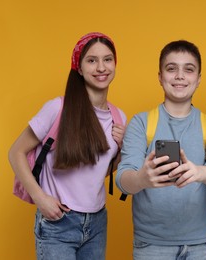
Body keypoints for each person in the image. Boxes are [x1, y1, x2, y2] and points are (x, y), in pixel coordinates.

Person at [8, 32, 127, 260]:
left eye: (107, 59)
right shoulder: (57, 109)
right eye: (92, 60)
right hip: (58, 222)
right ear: (79, 68)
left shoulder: (118, 116)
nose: (101, 67)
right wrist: (40, 198)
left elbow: (99, 172)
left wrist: (121, 150)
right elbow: (16, 152)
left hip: (97, 222)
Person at [116, 40, 206, 260]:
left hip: (201, 244)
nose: (180, 76)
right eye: (172, 69)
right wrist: (143, 178)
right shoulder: (141, 123)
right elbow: (123, 179)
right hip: (150, 245)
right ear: (160, 77)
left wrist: (201, 172)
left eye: (188, 70)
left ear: (198, 79)